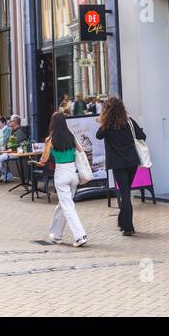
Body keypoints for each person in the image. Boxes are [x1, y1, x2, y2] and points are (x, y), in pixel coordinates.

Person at [36, 111, 88, 247]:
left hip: (61, 174)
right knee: (63, 205)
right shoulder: (71, 136)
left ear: (52, 123)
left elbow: (44, 159)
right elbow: (81, 150)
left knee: (68, 207)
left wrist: (38, 163)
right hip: (73, 174)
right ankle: (56, 234)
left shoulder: (50, 139)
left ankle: (80, 236)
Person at [97, 97, 146, 236]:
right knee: (126, 192)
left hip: (118, 164)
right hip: (132, 163)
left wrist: (102, 120)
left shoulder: (107, 126)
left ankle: (128, 227)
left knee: (125, 194)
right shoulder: (129, 122)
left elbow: (98, 135)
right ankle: (122, 221)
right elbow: (142, 136)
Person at [0, 116, 29, 185]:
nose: (9, 122)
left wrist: (7, 147)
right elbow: (10, 143)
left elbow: (13, 145)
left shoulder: (20, 131)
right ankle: (7, 173)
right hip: (11, 151)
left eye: (11, 121)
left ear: (16, 122)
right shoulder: (13, 131)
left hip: (17, 153)